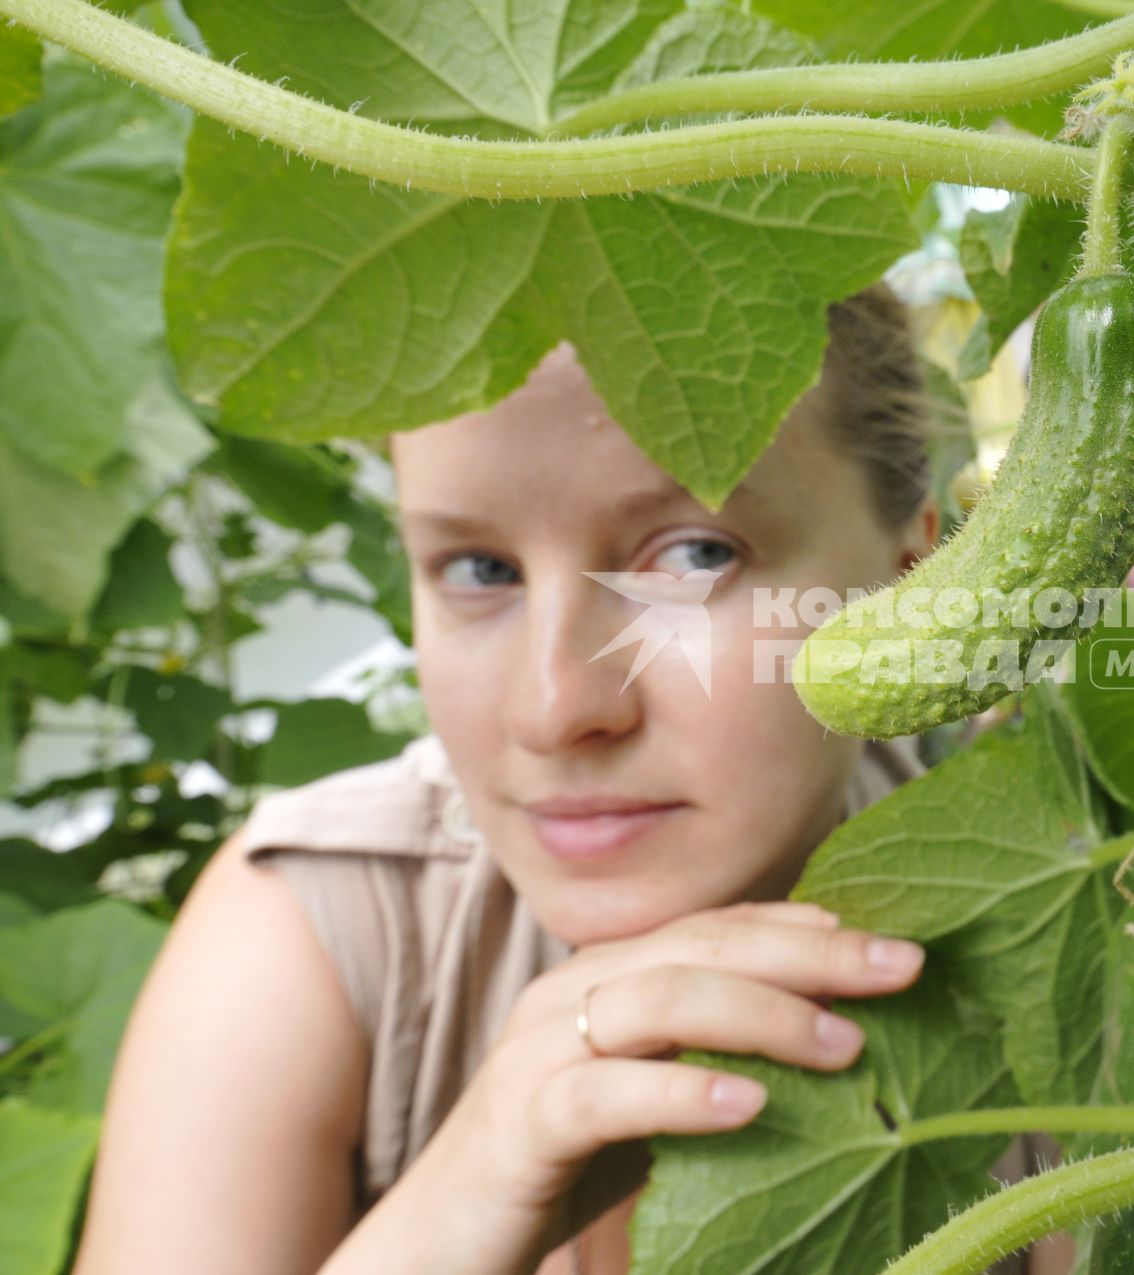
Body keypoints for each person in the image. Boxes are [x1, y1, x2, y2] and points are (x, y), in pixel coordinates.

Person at [70, 285, 1068, 1275]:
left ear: (915, 582)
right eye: (478, 571)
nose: (554, 710)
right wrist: (447, 1217)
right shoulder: (314, 918)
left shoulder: (1080, 959)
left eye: (692, 556)